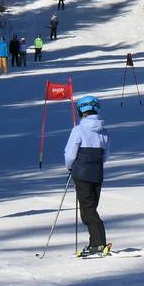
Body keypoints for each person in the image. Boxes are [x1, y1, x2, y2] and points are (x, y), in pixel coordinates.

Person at [64, 95, 111, 257]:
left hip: (81, 173)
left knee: (87, 210)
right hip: (97, 173)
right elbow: (106, 155)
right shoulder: (104, 131)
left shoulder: (78, 130)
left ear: (81, 111)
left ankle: (98, 243)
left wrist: (70, 166)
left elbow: (70, 153)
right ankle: (95, 242)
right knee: (92, 208)